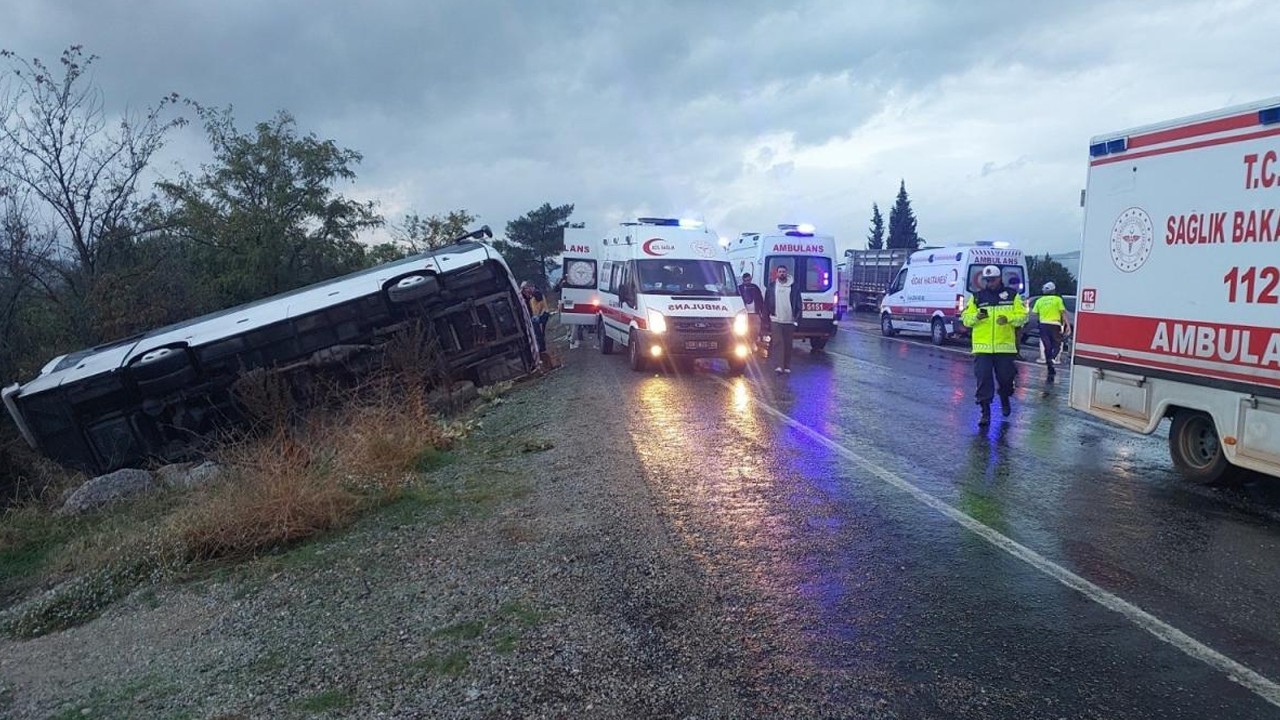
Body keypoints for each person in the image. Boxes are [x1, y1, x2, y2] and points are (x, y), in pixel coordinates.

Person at [960, 265, 1027, 426]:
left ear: (1000, 279)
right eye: (987, 280)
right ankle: (985, 412)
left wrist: (1008, 318)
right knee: (983, 379)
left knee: (1006, 378)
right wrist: (977, 316)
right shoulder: (977, 298)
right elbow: (966, 319)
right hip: (983, 348)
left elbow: (1022, 317)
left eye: (993, 280)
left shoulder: (1012, 296)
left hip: (1004, 347)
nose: (990, 283)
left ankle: (1004, 396)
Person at [764, 264, 803, 374]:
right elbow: (766, 303)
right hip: (776, 319)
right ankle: (779, 366)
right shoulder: (772, 287)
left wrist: (797, 318)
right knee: (778, 343)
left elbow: (799, 304)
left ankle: (786, 365)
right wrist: (766, 320)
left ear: (787, 273)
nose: (782, 273)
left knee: (788, 344)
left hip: (789, 320)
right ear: (777, 273)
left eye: (784, 272)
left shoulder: (794, 287)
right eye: (780, 271)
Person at [1032, 281, 1068, 381]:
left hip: (1043, 324)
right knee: (1057, 343)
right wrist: (1067, 325)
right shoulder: (1058, 299)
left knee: (1046, 344)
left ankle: (1049, 362)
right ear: (1054, 291)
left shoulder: (1039, 301)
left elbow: (1035, 314)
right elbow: (1063, 313)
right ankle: (1052, 358)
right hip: (1055, 325)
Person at [739, 272, 767, 348]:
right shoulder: (739, 288)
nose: (748, 282)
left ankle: (753, 343)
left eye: (749, 280)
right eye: (746, 280)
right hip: (744, 313)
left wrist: (762, 311)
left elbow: (760, 300)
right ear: (743, 280)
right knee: (744, 329)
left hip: (755, 312)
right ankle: (744, 344)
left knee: (755, 330)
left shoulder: (755, 287)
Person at [521, 281, 550, 353]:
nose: (525, 292)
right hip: (539, 315)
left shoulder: (536, 293)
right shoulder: (532, 295)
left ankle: (542, 348)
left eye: (525, 289)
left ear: (529, 287)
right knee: (539, 332)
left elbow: (539, 305)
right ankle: (542, 347)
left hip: (542, 314)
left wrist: (537, 315)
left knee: (539, 332)